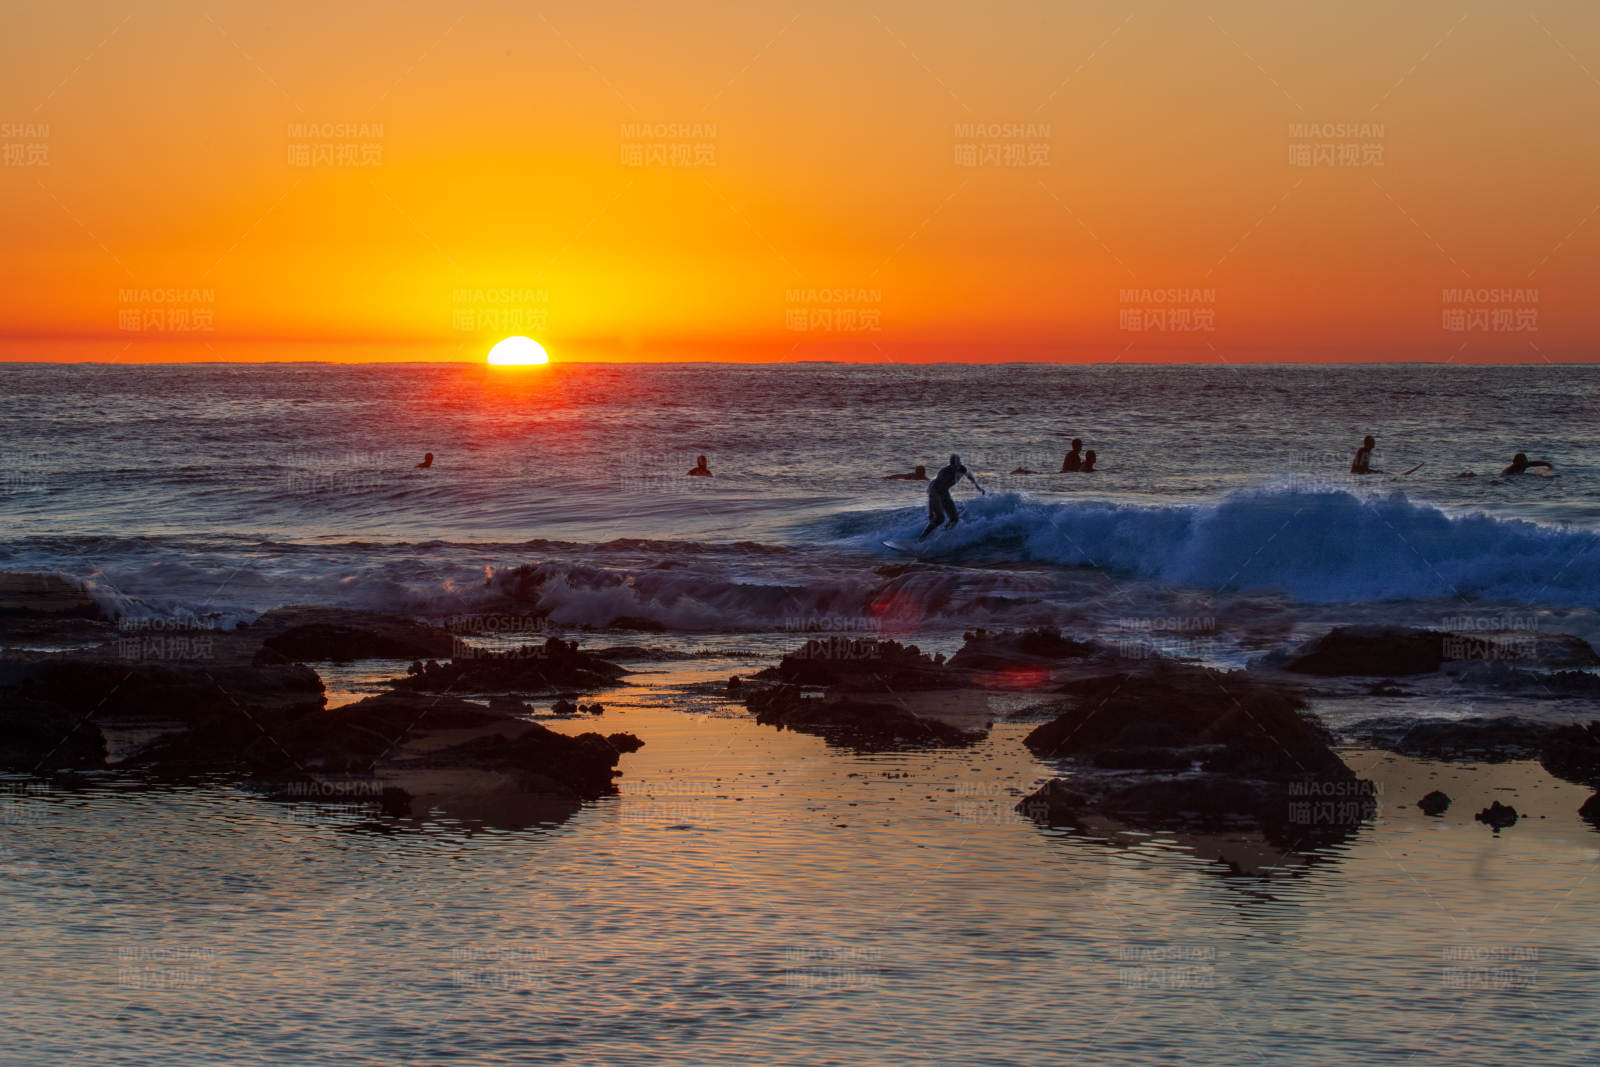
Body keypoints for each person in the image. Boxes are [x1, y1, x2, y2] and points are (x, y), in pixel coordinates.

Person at [919, 454, 985, 541]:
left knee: (954, 519)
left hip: (944, 492)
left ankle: (941, 537)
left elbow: (970, 476)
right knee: (939, 519)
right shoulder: (944, 472)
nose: (957, 466)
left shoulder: (962, 469)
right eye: (955, 464)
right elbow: (932, 491)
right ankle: (922, 538)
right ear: (951, 464)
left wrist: (978, 487)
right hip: (934, 491)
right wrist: (930, 513)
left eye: (959, 463)